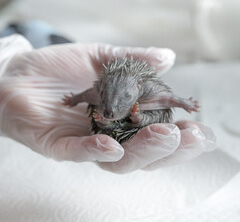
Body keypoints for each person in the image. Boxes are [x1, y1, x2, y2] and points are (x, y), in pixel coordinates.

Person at [0, 34, 216, 174]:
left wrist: (184, 103)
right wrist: (74, 99)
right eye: (105, 94)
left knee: (153, 117)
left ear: (140, 87)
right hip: (113, 116)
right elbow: (90, 95)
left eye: (124, 97)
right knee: (104, 116)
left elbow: (166, 100)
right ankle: (109, 124)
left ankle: (139, 120)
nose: (111, 105)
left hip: (146, 114)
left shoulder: (150, 91)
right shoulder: (101, 90)